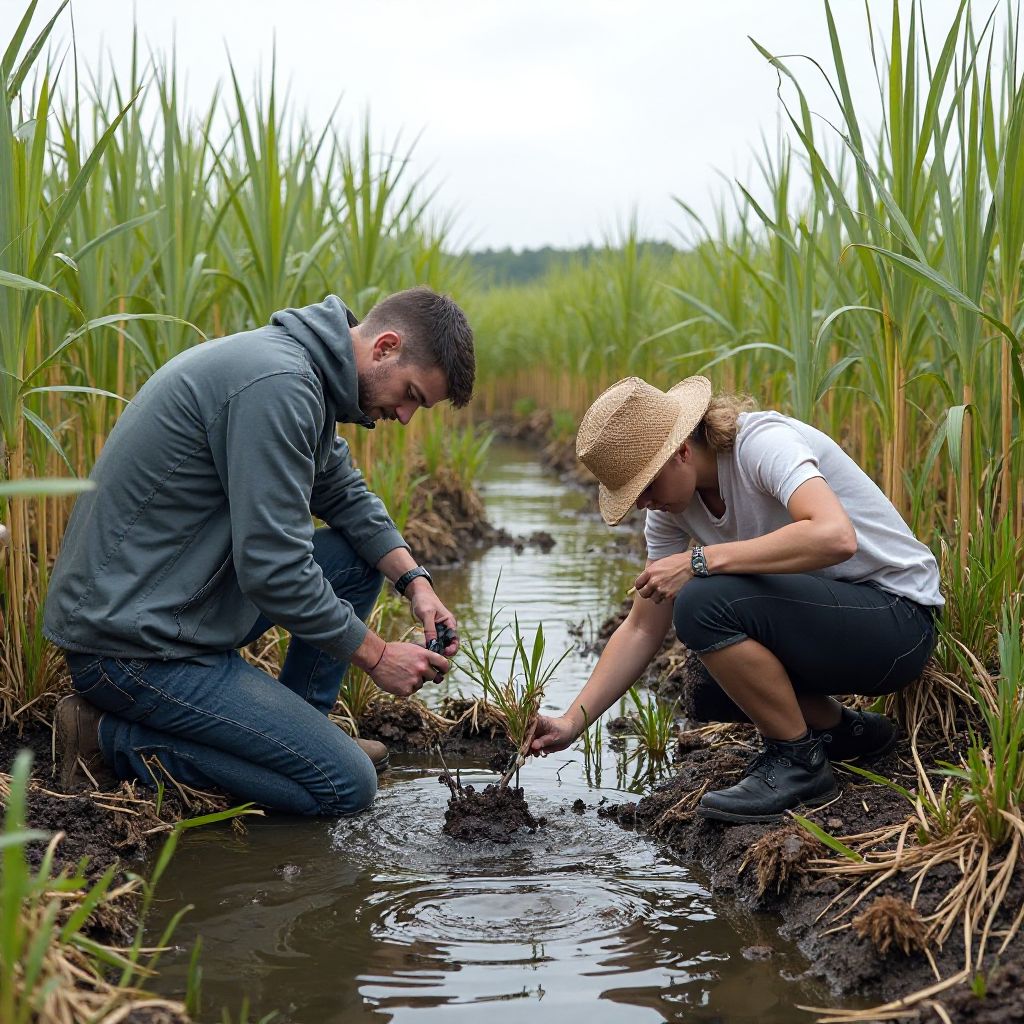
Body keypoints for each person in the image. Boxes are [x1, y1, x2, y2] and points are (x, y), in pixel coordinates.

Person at [45, 287, 475, 817]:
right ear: (385, 347)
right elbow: (275, 572)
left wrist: (417, 584)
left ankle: (304, 734)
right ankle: (108, 737)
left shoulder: (302, 374)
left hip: (175, 608)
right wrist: (378, 655)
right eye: (411, 394)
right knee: (345, 787)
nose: (406, 415)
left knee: (358, 558)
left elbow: (342, 493)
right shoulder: (279, 384)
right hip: (130, 648)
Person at [530, 376, 942, 823]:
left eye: (645, 488)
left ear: (681, 451)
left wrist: (699, 561)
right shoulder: (672, 512)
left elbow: (834, 536)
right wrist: (572, 721)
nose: (644, 504)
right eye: (633, 497)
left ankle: (800, 763)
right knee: (708, 685)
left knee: (702, 603)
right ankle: (845, 732)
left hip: (897, 623)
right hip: (831, 626)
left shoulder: (762, 444)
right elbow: (642, 627)